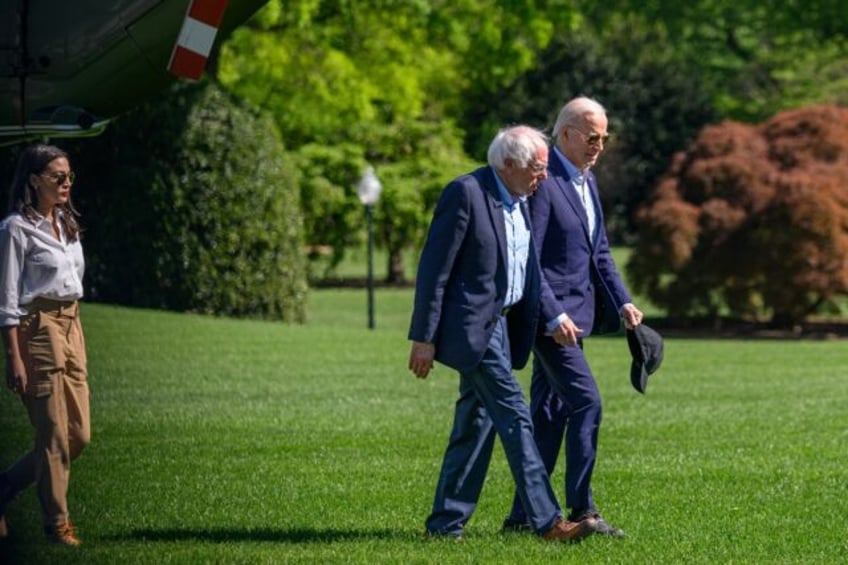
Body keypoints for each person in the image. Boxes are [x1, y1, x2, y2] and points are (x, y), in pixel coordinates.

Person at [408, 125, 596, 542]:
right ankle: (548, 523)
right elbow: (433, 270)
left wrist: (550, 317)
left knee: (475, 425)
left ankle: (444, 526)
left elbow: (526, 270)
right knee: (514, 414)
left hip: (503, 327)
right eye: (537, 168)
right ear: (507, 164)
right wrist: (423, 337)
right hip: (470, 329)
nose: (543, 177)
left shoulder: (522, 199)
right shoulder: (465, 193)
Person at [502, 97, 644, 537]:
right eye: (592, 136)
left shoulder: (588, 180)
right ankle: (583, 511)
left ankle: (524, 517)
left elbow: (599, 253)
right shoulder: (544, 183)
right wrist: (551, 315)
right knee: (587, 402)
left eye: (605, 137)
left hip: (576, 323)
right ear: (565, 134)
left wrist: (623, 302)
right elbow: (532, 261)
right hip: (550, 324)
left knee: (549, 415)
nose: (599, 145)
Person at [0, 144, 90, 546]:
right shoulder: (16, 229)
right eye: (58, 177)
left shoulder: (66, 223)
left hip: (73, 325)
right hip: (38, 329)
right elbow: (6, 301)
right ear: (35, 180)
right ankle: (57, 524)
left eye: (69, 176)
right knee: (53, 434)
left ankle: (3, 489)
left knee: (78, 435)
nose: (66, 183)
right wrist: (13, 356)